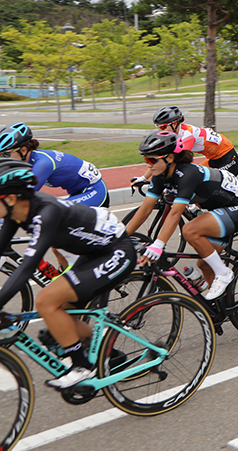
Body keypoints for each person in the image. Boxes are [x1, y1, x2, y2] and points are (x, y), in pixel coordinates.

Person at [0, 160, 137, 389]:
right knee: (63, 314)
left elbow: (26, 267)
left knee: (46, 300)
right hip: (93, 253)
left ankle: (82, 366)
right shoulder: (17, 214)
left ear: (11, 198)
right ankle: (110, 354)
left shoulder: (46, 212)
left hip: (116, 251)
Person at [126, 130, 238, 301]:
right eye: (145, 160)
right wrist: (121, 237)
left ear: (170, 158)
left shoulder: (188, 174)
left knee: (190, 230)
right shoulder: (160, 175)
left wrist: (158, 245)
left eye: (151, 159)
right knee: (205, 264)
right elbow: (145, 209)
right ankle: (221, 307)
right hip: (220, 209)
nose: (148, 165)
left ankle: (224, 273)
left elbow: (175, 214)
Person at [0, 123, 109, 208]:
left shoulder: (43, 163)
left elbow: (24, 195)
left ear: (23, 150)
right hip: (77, 192)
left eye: (5, 154)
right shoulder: (25, 161)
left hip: (93, 191)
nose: (2, 159)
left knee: (53, 214)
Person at [141, 106, 238, 178]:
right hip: (212, 159)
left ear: (174, 123)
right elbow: (162, 159)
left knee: (209, 188)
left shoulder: (188, 134)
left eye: (163, 127)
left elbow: (179, 160)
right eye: (159, 127)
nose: (161, 130)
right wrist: (143, 178)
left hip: (227, 158)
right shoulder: (172, 135)